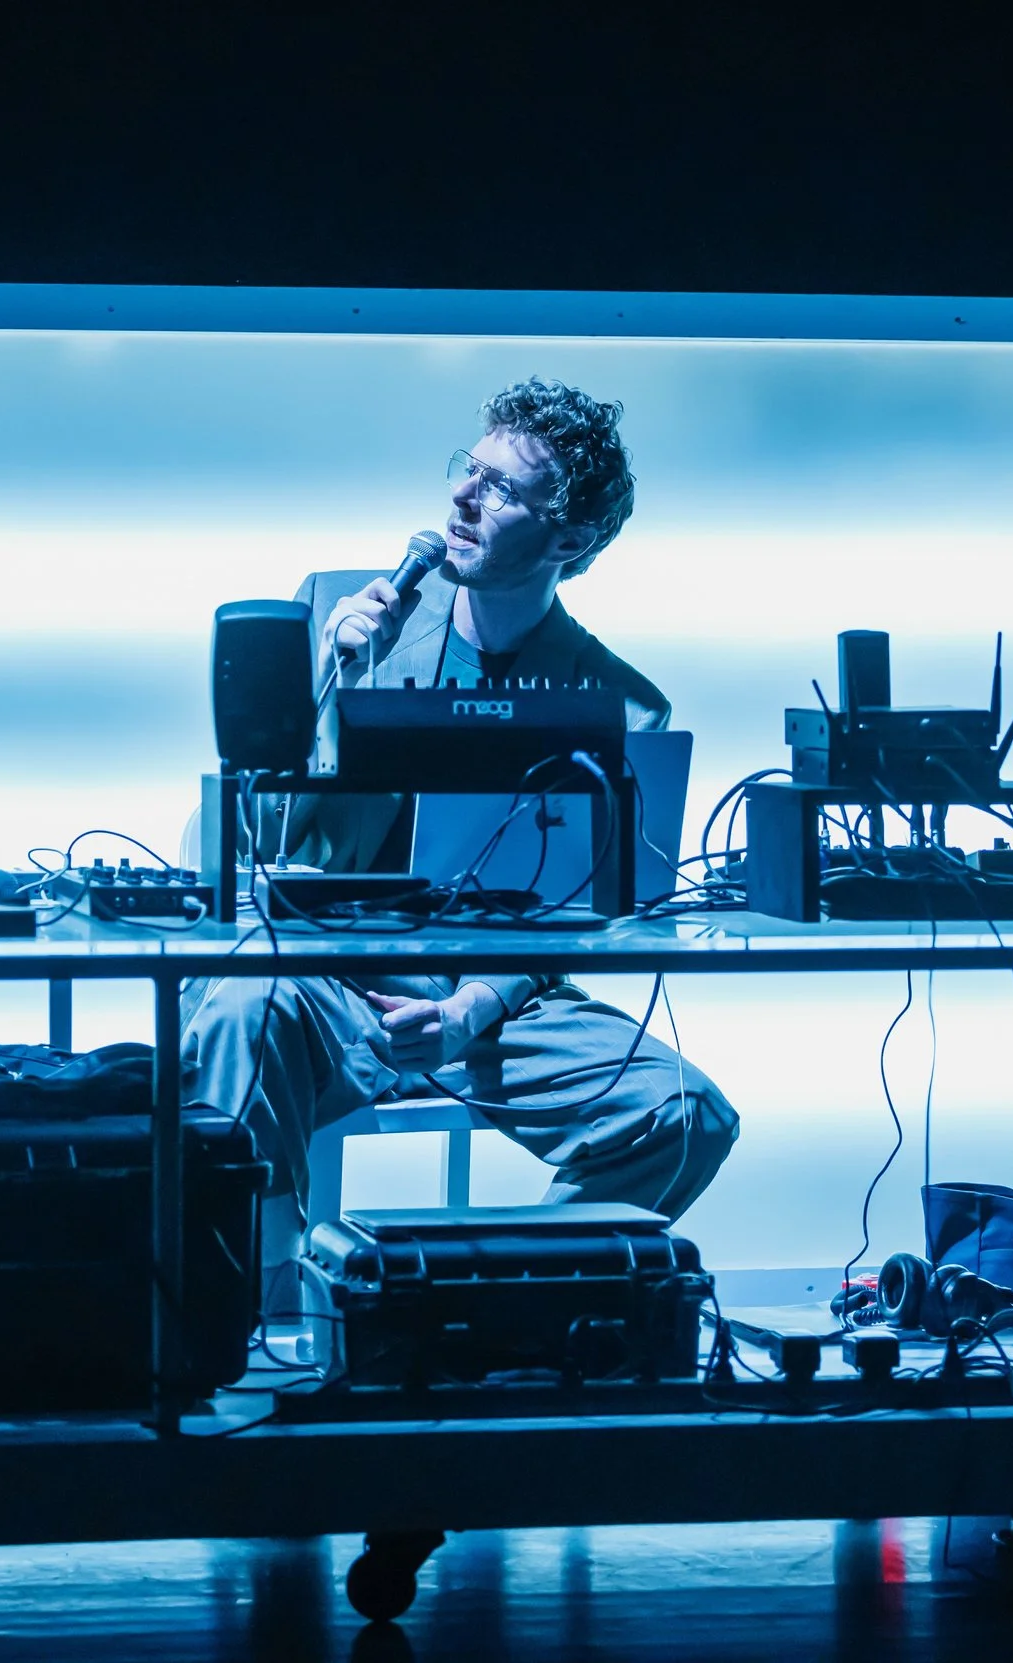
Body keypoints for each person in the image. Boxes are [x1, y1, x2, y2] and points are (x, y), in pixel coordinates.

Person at [183, 377, 739, 1285]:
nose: (463, 498)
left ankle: (492, 1296)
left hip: (491, 999)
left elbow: (582, 919)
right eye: (467, 471)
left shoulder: (625, 707)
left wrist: (470, 1007)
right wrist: (335, 688)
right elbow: (253, 835)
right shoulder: (336, 611)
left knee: (683, 1114)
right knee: (241, 1012)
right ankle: (242, 1317)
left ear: (571, 539)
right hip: (328, 969)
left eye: (502, 489)